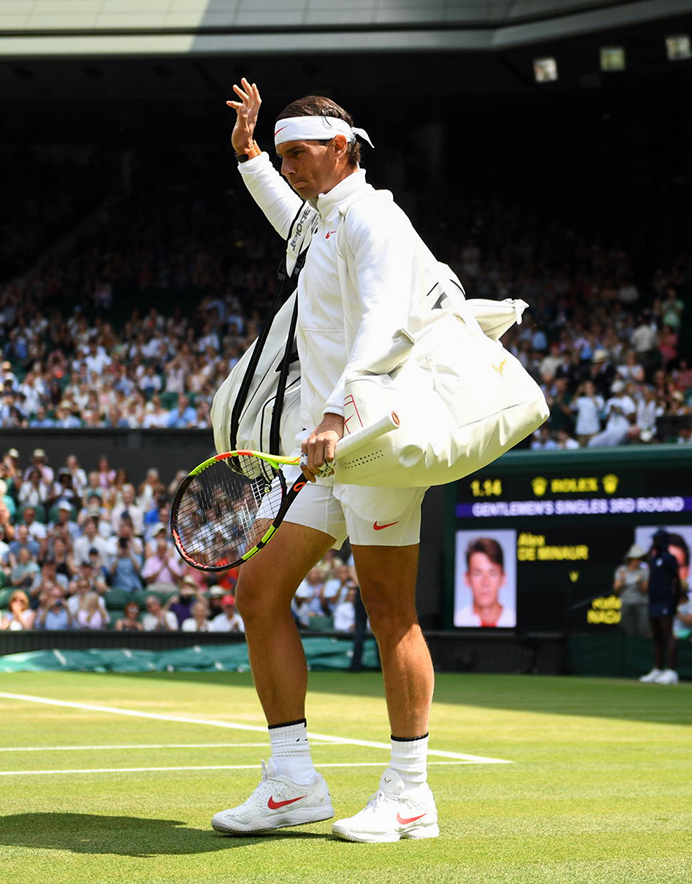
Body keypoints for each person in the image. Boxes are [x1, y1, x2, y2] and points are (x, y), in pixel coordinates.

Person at [211, 79, 440, 843]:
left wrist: (340, 409)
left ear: (341, 149)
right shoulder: (321, 224)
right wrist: (249, 157)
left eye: (298, 154)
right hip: (325, 452)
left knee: (389, 610)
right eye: (283, 156)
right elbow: (288, 213)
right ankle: (293, 781)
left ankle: (410, 792)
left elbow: (384, 323)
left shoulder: (376, 218)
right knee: (259, 591)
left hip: (372, 439)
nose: (292, 167)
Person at [642, 531, 682, 685]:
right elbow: (645, 557)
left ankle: (672, 672)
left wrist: (675, 601)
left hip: (666, 601)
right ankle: (658, 669)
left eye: (656, 539)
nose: (654, 542)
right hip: (654, 601)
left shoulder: (669, 559)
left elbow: (676, 580)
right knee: (657, 637)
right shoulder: (653, 559)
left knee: (668, 636)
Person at [458, 537, 514, 628]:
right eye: (477, 574)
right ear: (467, 579)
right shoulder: (459, 619)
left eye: (492, 573)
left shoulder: (513, 618)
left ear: (503, 578)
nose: (485, 583)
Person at [614, 543, 649, 644]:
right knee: (629, 632)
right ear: (631, 558)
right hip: (626, 603)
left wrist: (639, 583)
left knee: (643, 631)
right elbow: (616, 590)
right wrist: (622, 580)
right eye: (636, 558)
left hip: (641, 604)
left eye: (640, 558)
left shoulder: (645, 572)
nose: (638, 560)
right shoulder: (621, 571)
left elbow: (645, 590)